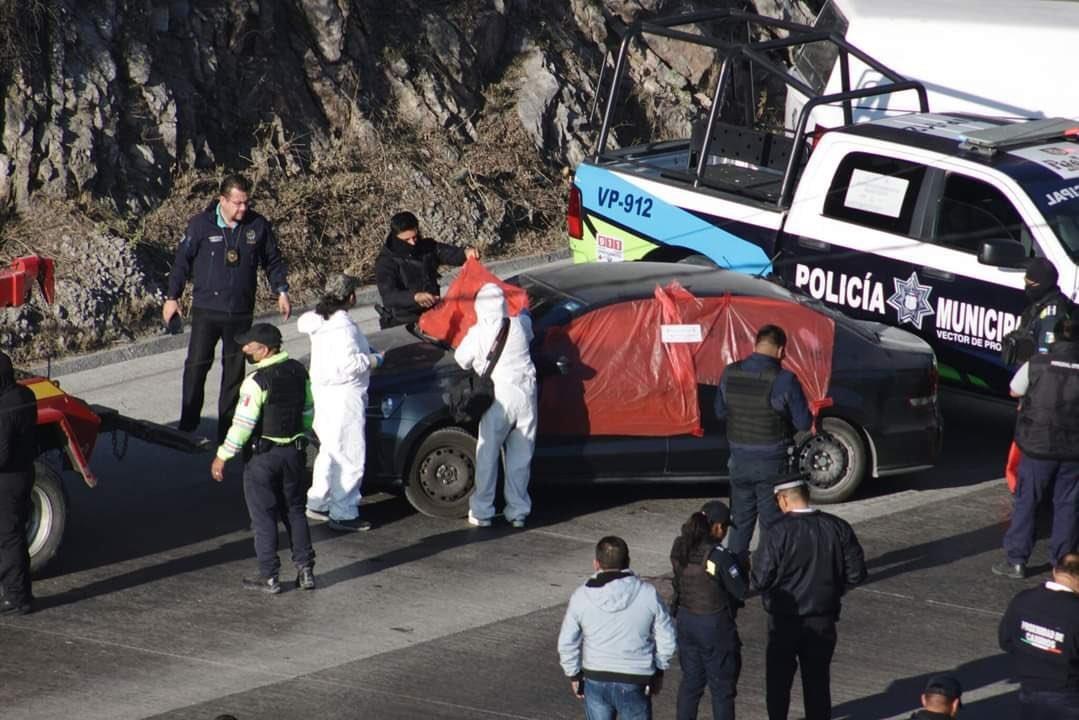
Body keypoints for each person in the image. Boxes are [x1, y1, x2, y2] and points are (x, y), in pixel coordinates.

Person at [165, 174, 291, 443]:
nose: (242, 209)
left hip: (240, 311)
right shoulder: (201, 225)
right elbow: (181, 263)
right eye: (237, 203)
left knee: (233, 372)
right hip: (206, 310)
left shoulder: (258, 226)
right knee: (196, 366)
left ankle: (227, 430)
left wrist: (281, 290)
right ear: (222, 200)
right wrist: (172, 297)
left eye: (246, 203)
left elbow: (273, 261)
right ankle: (188, 422)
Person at [209, 323, 315, 594]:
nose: (245, 349)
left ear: (265, 350)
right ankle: (305, 570)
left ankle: (269, 575)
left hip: (263, 459)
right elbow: (308, 410)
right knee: (295, 510)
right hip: (294, 453)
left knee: (264, 516)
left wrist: (222, 456)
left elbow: (242, 426)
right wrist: (299, 434)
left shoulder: (256, 382)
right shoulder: (298, 370)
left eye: (250, 346)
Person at [751, 475, 867, 720]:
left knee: (778, 683)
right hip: (822, 618)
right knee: (817, 683)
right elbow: (856, 574)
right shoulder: (837, 527)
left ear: (783, 499)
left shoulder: (777, 532)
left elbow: (760, 579)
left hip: (783, 620)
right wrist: (834, 590)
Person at [715, 324, 813, 565]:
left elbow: (719, 412)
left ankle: (735, 579)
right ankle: (766, 575)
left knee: (739, 522)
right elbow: (803, 422)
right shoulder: (785, 380)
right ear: (781, 351)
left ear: (755, 344)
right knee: (772, 525)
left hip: (739, 462)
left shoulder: (730, 373)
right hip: (773, 465)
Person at [993, 318, 1079, 579]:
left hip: (1037, 445)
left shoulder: (1038, 363)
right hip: (1074, 450)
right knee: (1068, 504)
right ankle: (1061, 563)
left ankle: (1016, 560)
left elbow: (1014, 390)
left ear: (1055, 339)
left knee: (1026, 501)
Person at [298, 273, 384, 533]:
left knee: (330, 450)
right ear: (350, 297)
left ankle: (319, 501)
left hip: (323, 393)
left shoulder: (319, 321)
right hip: (345, 396)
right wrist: (373, 360)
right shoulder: (343, 327)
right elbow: (349, 365)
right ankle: (344, 512)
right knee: (349, 455)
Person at [558, 535, 677, 720]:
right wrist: (659, 669)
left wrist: (574, 674)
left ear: (596, 564)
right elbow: (667, 638)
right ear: (628, 561)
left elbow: (567, 642)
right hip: (635, 679)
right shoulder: (648, 594)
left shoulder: (581, 596)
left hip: (596, 678)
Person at [453, 283, 537, 528]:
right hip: (526, 396)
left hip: (498, 399)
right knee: (521, 456)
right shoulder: (519, 325)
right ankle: (518, 511)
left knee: (488, 454)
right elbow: (526, 319)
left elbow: (462, 361)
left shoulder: (477, 333)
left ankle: (482, 511)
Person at [669, 501, 746, 720]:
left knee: (691, 683)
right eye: (725, 527)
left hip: (685, 620)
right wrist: (740, 564)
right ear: (717, 527)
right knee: (722, 690)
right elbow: (739, 590)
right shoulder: (719, 555)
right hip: (714, 625)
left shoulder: (680, 547)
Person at [999, 552, 1079, 718]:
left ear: (1056, 571)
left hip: (1029, 691)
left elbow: (1006, 641)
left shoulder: (1023, 600)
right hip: (1069, 695)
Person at [373, 211, 478, 329]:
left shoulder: (426, 247)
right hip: (404, 322)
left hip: (433, 313)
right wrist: (415, 297)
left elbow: (447, 253)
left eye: (415, 237)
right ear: (396, 237)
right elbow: (389, 296)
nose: (412, 243)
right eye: (407, 240)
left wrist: (465, 253)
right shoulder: (385, 262)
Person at [0, 352, 38, 616]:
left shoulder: (4, 408)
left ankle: (17, 597)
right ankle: (21, 593)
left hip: (7, 478)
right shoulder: (26, 396)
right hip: (25, 472)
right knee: (16, 536)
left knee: (9, 537)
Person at [1004, 257, 1076, 365]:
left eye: (1029, 283)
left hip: (1038, 375)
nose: (1026, 287)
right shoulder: (1039, 304)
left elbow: (1045, 359)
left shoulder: (1052, 315)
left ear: (1042, 284)